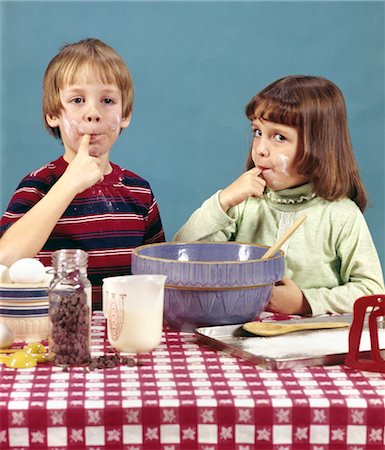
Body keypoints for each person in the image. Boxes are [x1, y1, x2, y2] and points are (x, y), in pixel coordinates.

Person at [174, 75, 384, 316]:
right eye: (257, 132)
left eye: (279, 137)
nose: (261, 149)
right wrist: (223, 201)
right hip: (241, 335)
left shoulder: (341, 215)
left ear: (318, 147)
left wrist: (304, 302)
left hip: (314, 345)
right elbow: (183, 254)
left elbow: (372, 292)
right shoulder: (244, 205)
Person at [0, 38, 165, 309]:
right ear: (54, 113)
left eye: (107, 100)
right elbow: (5, 258)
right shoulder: (39, 184)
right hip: (57, 329)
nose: (93, 113)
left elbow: (157, 276)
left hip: (122, 331)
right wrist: (68, 185)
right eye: (77, 100)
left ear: (125, 115)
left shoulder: (139, 190)